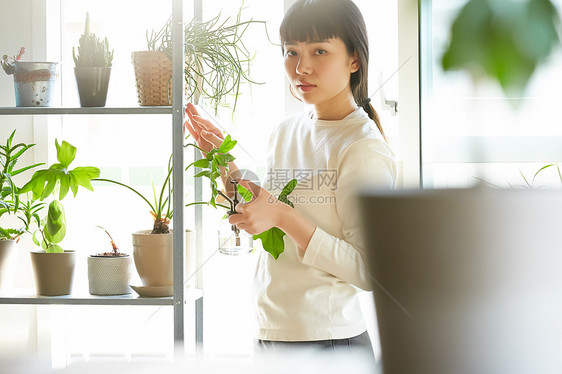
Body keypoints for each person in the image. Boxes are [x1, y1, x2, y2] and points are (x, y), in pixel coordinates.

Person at [184, 0, 397, 354]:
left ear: (354, 59)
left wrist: (284, 216)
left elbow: (369, 270)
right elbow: (268, 220)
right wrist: (224, 161)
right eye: (291, 52)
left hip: (328, 341)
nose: (301, 67)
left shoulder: (362, 147)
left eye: (319, 51)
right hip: (271, 333)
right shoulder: (286, 131)